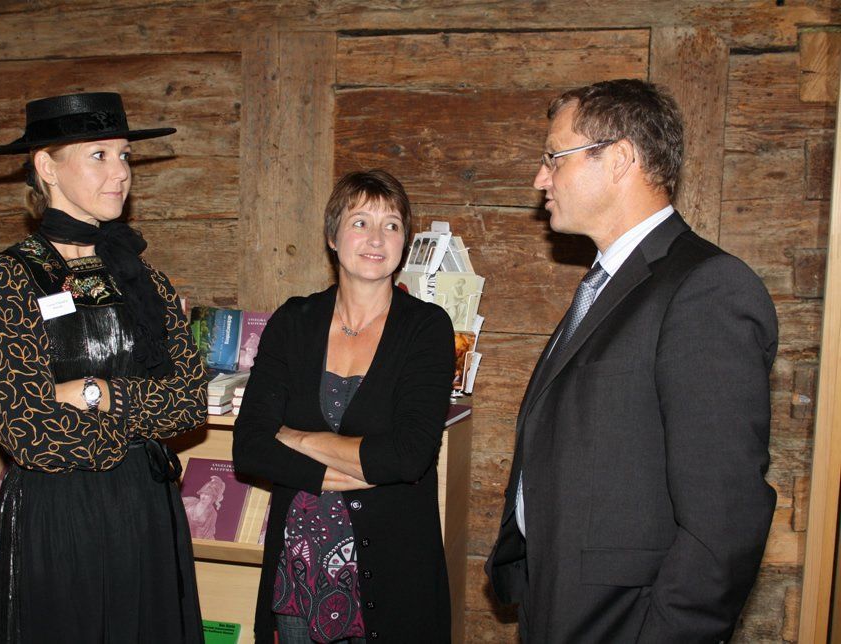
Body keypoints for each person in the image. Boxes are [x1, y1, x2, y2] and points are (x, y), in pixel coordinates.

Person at [486, 79, 778, 643]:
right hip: (559, 602)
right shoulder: (608, 282)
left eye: (554, 157)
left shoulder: (706, 288)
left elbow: (725, 520)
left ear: (619, 158)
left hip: (626, 620)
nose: (541, 178)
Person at [0, 92, 208, 643]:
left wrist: (93, 391)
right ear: (47, 166)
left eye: (124, 155)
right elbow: (28, 431)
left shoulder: (142, 276)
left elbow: (190, 402)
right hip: (63, 513)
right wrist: (134, 425)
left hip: (147, 505)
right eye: (99, 155)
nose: (120, 172)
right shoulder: (9, 278)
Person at [233, 170, 455, 643]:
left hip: (394, 574)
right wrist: (348, 466)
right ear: (333, 237)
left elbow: (407, 457)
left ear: (404, 242)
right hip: (300, 568)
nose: (376, 238)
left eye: (391, 225)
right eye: (360, 223)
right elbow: (250, 447)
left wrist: (294, 438)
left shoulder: (427, 328)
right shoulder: (293, 321)